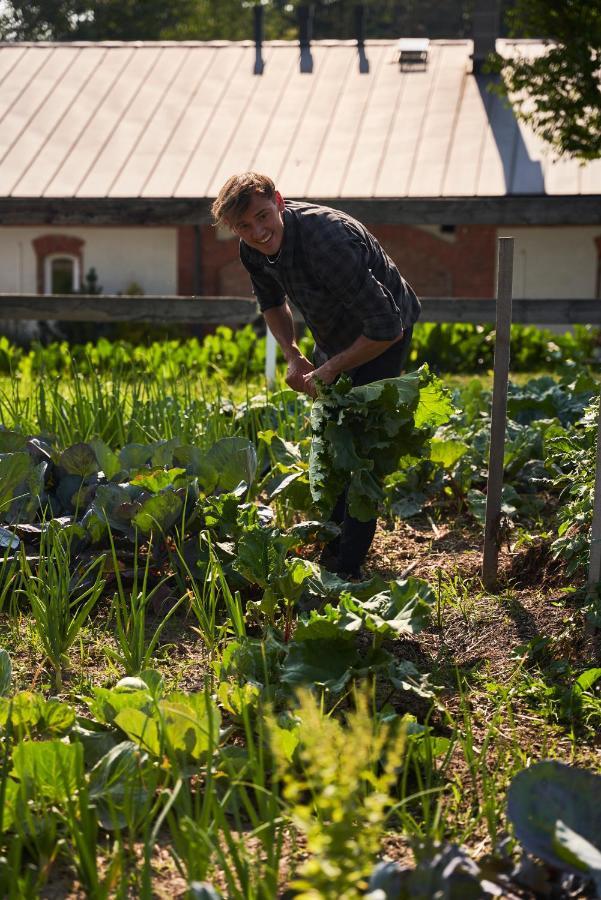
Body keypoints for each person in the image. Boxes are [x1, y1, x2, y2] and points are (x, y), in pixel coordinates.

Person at [211, 172, 421, 579]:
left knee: (360, 447)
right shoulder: (251, 248)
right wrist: (293, 355)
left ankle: (347, 567)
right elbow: (271, 302)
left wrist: (329, 367)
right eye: (244, 226)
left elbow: (385, 327)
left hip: (384, 330)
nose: (257, 231)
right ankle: (332, 541)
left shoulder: (328, 243)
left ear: (279, 201)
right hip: (334, 329)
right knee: (331, 438)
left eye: (262, 216)